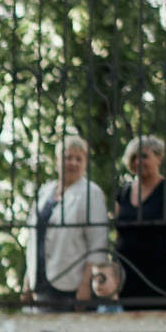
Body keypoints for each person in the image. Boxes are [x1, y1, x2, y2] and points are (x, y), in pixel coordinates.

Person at [26, 133, 110, 311]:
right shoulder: (45, 192)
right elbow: (34, 238)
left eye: (79, 159)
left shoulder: (90, 192)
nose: (73, 163)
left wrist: (86, 285)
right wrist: (28, 281)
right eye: (68, 157)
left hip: (71, 285)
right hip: (41, 283)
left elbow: (98, 243)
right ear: (57, 160)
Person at [111, 135, 166, 307]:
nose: (138, 162)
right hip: (127, 277)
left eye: (144, 156)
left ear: (159, 157)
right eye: (133, 158)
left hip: (161, 278)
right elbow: (118, 237)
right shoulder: (123, 193)